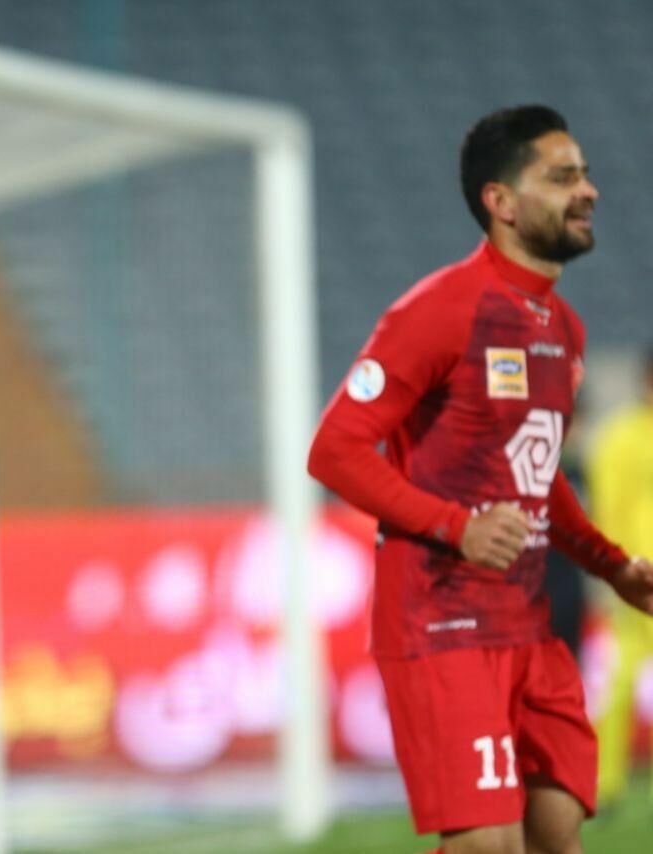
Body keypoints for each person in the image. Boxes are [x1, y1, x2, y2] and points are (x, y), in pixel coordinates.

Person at [308, 105, 653, 853]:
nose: (587, 190)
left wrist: (610, 565)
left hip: (529, 623)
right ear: (502, 202)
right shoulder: (438, 311)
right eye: (562, 177)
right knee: (486, 846)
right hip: (442, 623)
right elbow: (334, 451)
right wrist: (455, 526)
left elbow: (536, 475)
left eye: (585, 174)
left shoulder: (563, 330)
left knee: (555, 835)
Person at [588, 348, 653, 809]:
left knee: (621, 675)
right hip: (639, 576)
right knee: (620, 678)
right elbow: (608, 509)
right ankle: (604, 779)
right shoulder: (620, 437)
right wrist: (617, 568)